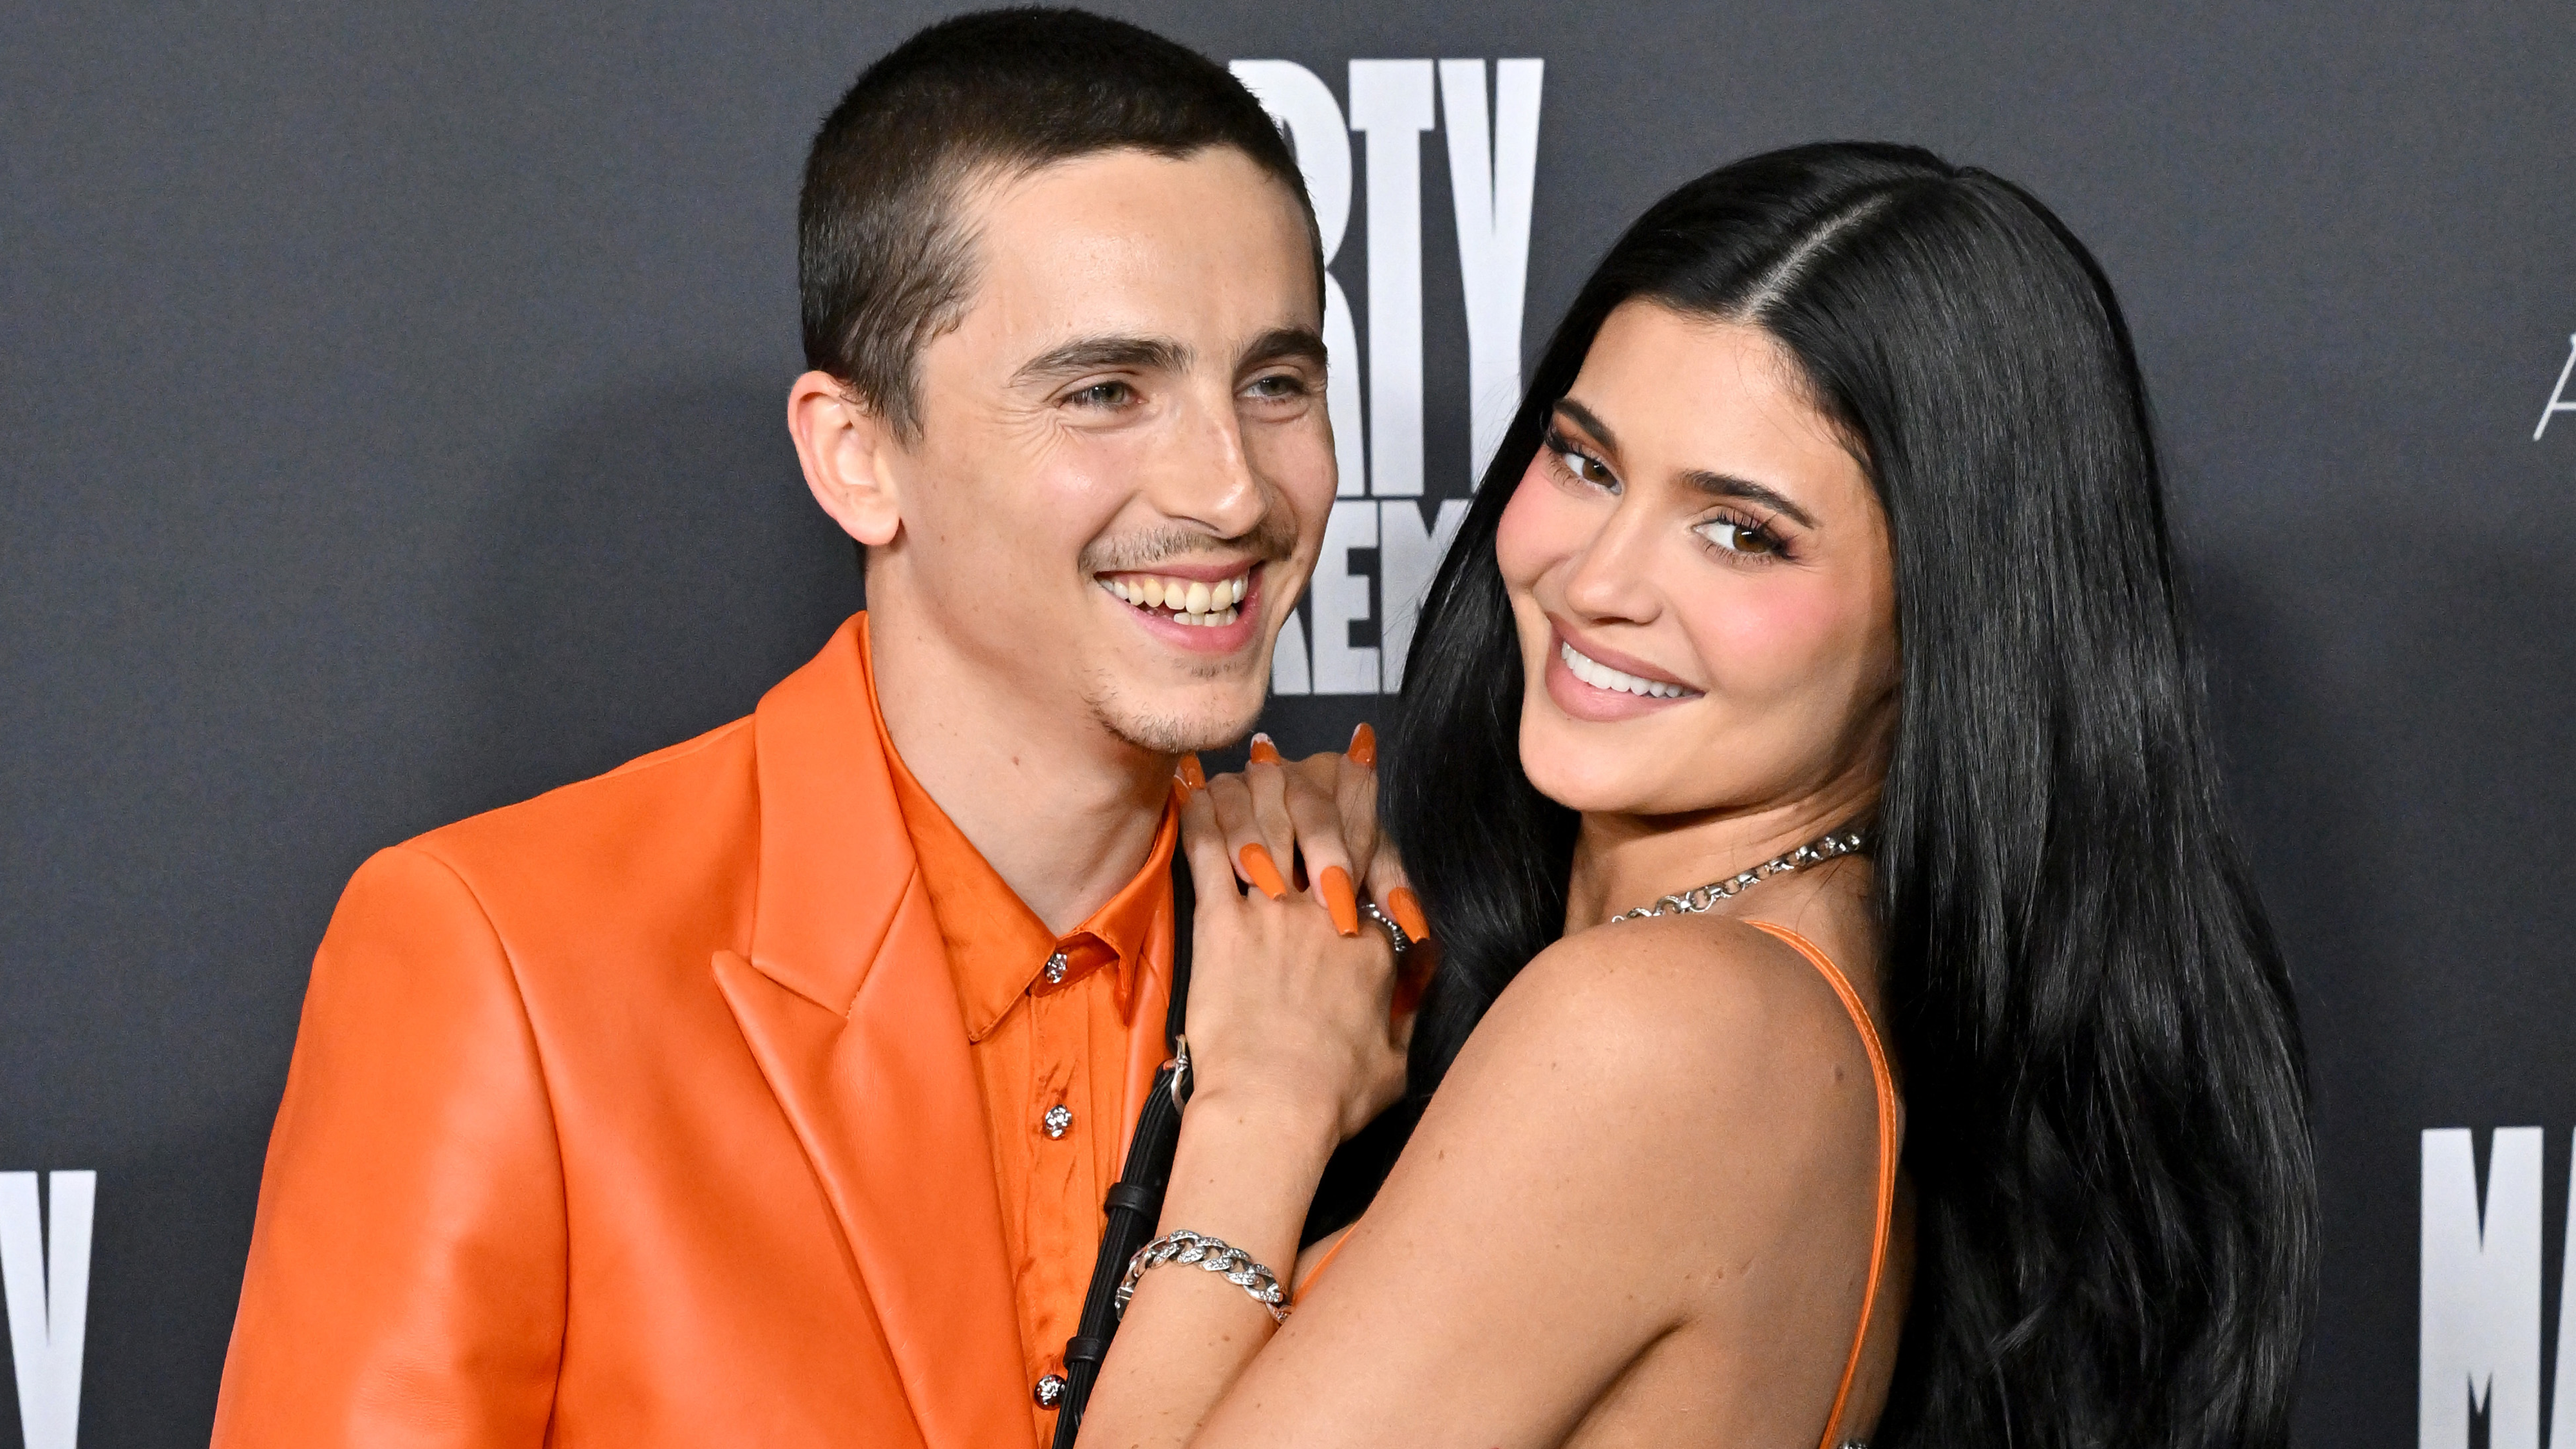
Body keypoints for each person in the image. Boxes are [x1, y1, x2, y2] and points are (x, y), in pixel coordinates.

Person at [209, 11, 1382, 1446]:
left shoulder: (1372, 952)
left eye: (1276, 383)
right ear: (856, 457)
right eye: (1102, 392)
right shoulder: (506, 960)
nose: (1230, 490)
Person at [1077, 142, 2317, 1448]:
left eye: (1740, 533)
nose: (1598, 578)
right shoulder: (1804, 980)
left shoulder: (1664, 1028)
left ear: (1942, 621)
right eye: (1585, 463)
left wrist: (1262, 1109)